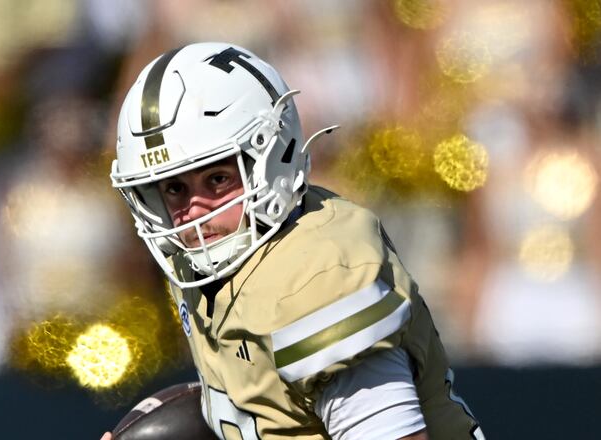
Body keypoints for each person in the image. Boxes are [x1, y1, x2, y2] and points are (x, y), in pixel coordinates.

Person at [103, 42, 484, 440]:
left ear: (272, 157)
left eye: (217, 180)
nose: (195, 212)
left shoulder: (314, 274)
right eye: (174, 188)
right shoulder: (206, 265)